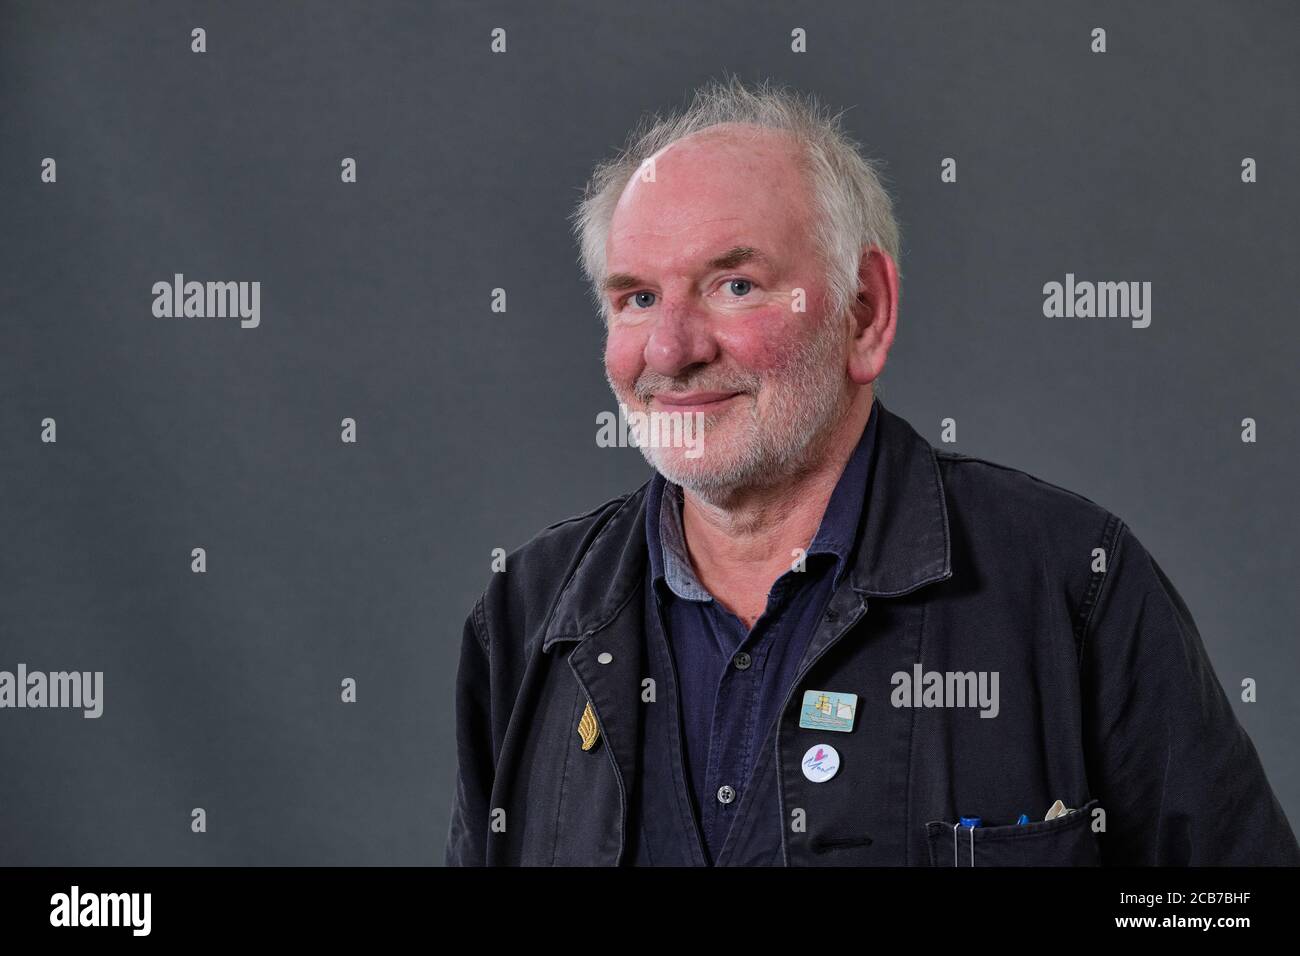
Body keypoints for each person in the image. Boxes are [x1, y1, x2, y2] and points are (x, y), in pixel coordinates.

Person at [444, 75, 1299, 866]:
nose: (671, 349)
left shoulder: (1074, 587)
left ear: (864, 313)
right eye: (637, 298)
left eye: (734, 285)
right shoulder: (526, 617)